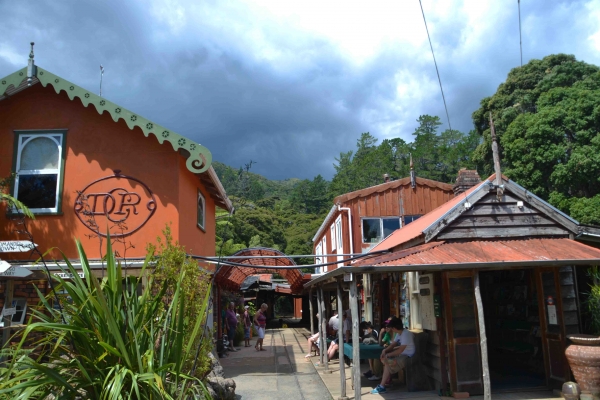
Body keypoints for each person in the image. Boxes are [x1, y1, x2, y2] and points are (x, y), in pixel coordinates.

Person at [370, 317, 415, 394]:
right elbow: (393, 345)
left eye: (391, 328)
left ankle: (382, 385)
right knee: (387, 361)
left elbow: (400, 350)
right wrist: (385, 350)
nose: (391, 329)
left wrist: (388, 355)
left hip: (408, 356)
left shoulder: (406, 334)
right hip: (402, 354)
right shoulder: (399, 333)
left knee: (388, 362)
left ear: (394, 328)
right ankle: (383, 384)